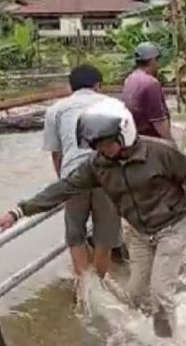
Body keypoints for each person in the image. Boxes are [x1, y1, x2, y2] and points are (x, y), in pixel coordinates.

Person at [0, 99, 186, 338]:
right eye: (97, 146)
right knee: (136, 294)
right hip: (139, 232)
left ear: (124, 133)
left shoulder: (160, 151)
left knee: (161, 292)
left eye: (107, 144)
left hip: (172, 227)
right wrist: (18, 212)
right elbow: (63, 188)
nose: (103, 150)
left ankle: (168, 339)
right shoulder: (98, 165)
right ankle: (154, 332)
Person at [43, 65, 123, 283]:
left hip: (73, 176)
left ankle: (83, 287)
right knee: (105, 237)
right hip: (107, 175)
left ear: (71, 87)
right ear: (98, 85)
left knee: (76, 235)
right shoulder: (113, 106)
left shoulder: (56, 110)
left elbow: (56, 154)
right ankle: (97, 285)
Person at [121, 42, 172, 140]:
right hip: (148, 139)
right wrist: (171, 144)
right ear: (153, 60)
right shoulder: (151, 83)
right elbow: (159, 121)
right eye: (158, 60)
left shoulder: (130, 79)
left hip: (134, 135)